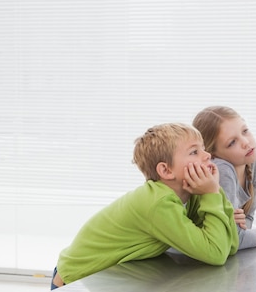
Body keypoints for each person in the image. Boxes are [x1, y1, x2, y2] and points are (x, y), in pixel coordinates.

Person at [50, 123, 239, 289]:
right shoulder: (158, 203)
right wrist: (212, 193)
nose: (207, 156)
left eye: (203, 149)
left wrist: (214, 193)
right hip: (76, 281)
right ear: (166, 170)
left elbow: (229, 245)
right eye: (194, 152)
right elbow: (216, 253)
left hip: (105, 280)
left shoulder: (192, 193)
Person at [193, 106, 256, 249]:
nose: (246, 142)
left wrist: (238, 229)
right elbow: (231, 240)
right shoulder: (222, 170)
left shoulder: (255, 161)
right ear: (212, 154)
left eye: (245, 131)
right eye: (232, 142)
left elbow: (246, 222)